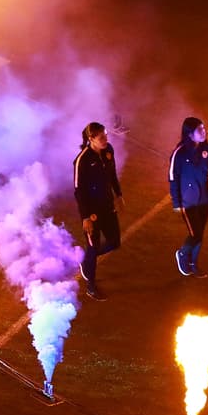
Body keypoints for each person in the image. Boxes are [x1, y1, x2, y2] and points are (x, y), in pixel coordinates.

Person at [169, 116, 208, 278]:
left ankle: (193, 264)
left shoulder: (207, 149)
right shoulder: (179, 153)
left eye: (203, 128)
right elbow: (173, 178)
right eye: (199, 130)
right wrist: (176, 202)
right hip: (187, 202)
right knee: (195, 233)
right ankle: (182, 254)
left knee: (200, 233)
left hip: (204, 199)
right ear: (190, 134)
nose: (204, 132)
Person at [73, 121, 124, 300]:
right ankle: (91, 286)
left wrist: (119, 195)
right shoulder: (82, 160)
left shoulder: (108, 150)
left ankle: (86, 260)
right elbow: (79, 191)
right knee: (93, 247)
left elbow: (112, 175)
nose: (105, 139)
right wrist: (85, 217)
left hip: (108, 207)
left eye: (106, 135)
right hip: (92, 213)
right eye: (101, 137)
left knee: (114, 242)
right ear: (91, 139)